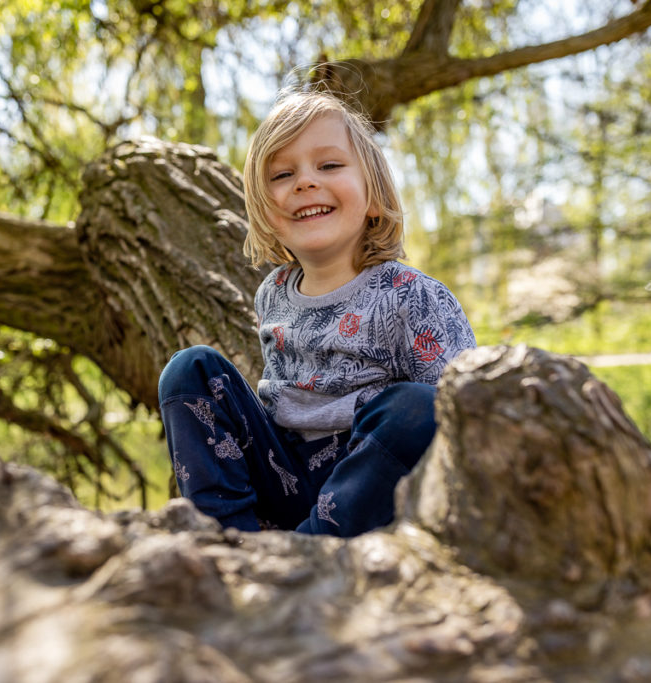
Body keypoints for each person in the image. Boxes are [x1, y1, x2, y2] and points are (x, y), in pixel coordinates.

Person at [157, 89, 476, 537]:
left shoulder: (412, 296)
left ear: (373, 194)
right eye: (282, 174)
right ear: (264, 210)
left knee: (422, 408)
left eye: (329, 165)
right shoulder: (272, 294)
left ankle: (310, 550)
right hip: (285, 473)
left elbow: (463, 421)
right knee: (188, 368)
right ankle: (227, 542)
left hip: (369, 485)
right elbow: (282, 402)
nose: (305, 182)